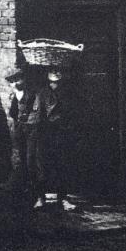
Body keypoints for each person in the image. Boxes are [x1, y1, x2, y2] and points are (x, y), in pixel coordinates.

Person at [28, 69, 77, 210]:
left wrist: (67, 127)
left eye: (57, 82)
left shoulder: (67, 94)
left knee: (63, 166)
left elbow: (72, 113)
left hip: (62, 134)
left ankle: (63, 198)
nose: (54, 85)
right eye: (52, 82)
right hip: (45, 134)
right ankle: (40, 197)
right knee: (42, 167)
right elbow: (36, 114)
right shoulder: (42, 94)